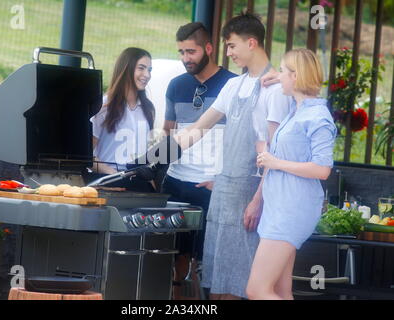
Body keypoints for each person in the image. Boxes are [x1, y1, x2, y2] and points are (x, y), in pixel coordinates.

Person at [158, 12, 292, 300]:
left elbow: (273, 151)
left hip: (250, 193)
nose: (228, 53)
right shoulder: (234, 85)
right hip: (223, 192)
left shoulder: (277, 88)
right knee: (217, 280)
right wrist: (153, 158)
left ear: (252, 43)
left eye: (231, 46)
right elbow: (197, 129)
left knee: (240, 281)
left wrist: (258, 201)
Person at [246, 48, 337, 300]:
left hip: (291, 210)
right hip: (279, 207)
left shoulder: (317, 117)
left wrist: (276, 162)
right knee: (280, 292)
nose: (280, 76)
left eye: (284, 72)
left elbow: (322, 169)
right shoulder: (296, 110)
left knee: (257, 290)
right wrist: (277, 76)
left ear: (296, 76)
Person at [161, 22, 237, 299]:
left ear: (208, 48)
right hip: (177, 180)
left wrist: (223, 178)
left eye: (190, 51)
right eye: (181, 52)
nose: (185, 58)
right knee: (175, 258)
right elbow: (168, 133)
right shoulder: (176, 84)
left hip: (211, 183)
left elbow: (243, 139)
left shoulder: (232, 84)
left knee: (208, 259)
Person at [86, 47, 155, 192]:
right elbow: (86, 156)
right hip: (107, 183)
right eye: (141, 68)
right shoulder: (103, 106)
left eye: (149, 70)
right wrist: (115, 174)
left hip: (139, 184)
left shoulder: (148, 109)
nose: (147, 75)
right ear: (126, 69)